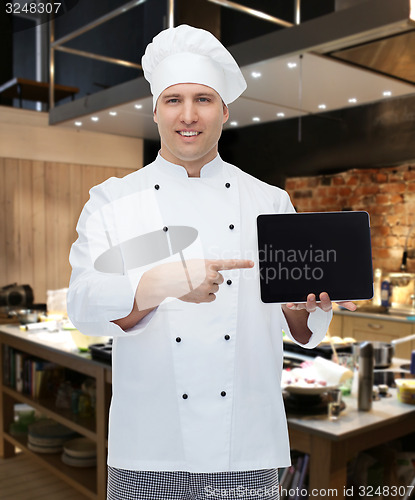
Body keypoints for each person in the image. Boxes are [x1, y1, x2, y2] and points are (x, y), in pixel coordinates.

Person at [67, 24, 356, 500]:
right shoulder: (114, 201)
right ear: (155, 110)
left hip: (245, 445)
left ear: (224, 110)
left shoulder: (270, 202)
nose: (188, 115)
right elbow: (83, 304)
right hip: (149, 447)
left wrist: (307, 307)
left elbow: (298, 328)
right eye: (174, 99)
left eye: (203, 99)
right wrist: (160, 283)